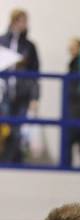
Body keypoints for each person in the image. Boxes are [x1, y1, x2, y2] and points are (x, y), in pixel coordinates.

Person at [0, 8, 39, 163]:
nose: (25, 24)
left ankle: (12, 162)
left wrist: (35, 97)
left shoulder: (29, 46)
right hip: (3, 93)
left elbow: (36, 73)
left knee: (18, 131)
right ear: (14, 21)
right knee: (5, 130)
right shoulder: (2, 41)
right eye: (22, 20)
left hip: (22, 93)